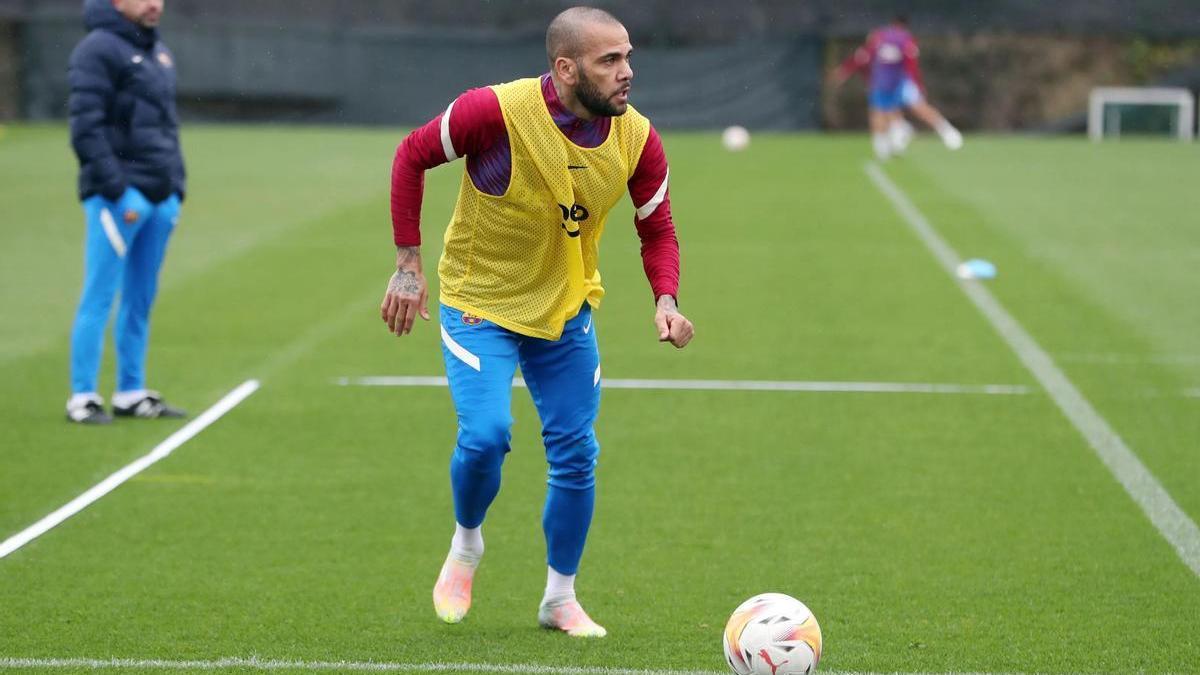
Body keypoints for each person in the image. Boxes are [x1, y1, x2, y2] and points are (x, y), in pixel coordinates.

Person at [381, 6, 693, 638]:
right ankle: (467, 545)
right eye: (611, 61)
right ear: (565, 67)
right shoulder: (494, 112)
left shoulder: (636, 138)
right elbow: (412, 154)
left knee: (578, 453)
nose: (627, 72)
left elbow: (655, 226)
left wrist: (666, 299)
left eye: (628, 57)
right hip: (480, 302)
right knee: (488, 435)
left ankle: (560, 598)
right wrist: (408, 263)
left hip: (564, 308)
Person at [65, 0, 186, 424]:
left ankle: (130, 392)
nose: (155, 4)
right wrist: (118, 191)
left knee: (141, 297)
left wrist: (176, 188)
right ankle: (83, 397)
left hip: (160, 196)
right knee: (99, 296)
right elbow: (85, 126)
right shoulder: (96, 49)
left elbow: (166, 127)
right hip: (120, 200)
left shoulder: (158, 50)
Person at [831, 14, 963, 160]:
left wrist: (844, 71)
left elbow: (860, 58)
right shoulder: (900, 39)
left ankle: (887, 145)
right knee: (903, 110)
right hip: (892, 83)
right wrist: (918, 84)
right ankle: (939, 132)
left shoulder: (882, 37)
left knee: (884, 112)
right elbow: (911, 64)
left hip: (891, 83)